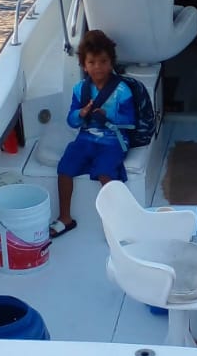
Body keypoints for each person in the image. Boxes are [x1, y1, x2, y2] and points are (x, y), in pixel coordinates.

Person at [52, 29, 135, 238]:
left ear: (111, 62)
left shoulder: (123, 90)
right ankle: (65, 218)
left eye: (103, 61)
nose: (98, 67)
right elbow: (71, 121)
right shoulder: (80, 89)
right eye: (92, 62)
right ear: (84, 65)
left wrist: (108, 117)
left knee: (105, 171)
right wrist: (81, 113)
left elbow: (130, 122)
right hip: (86, 137)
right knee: (65, 168)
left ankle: (116, 224)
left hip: (114, 140)